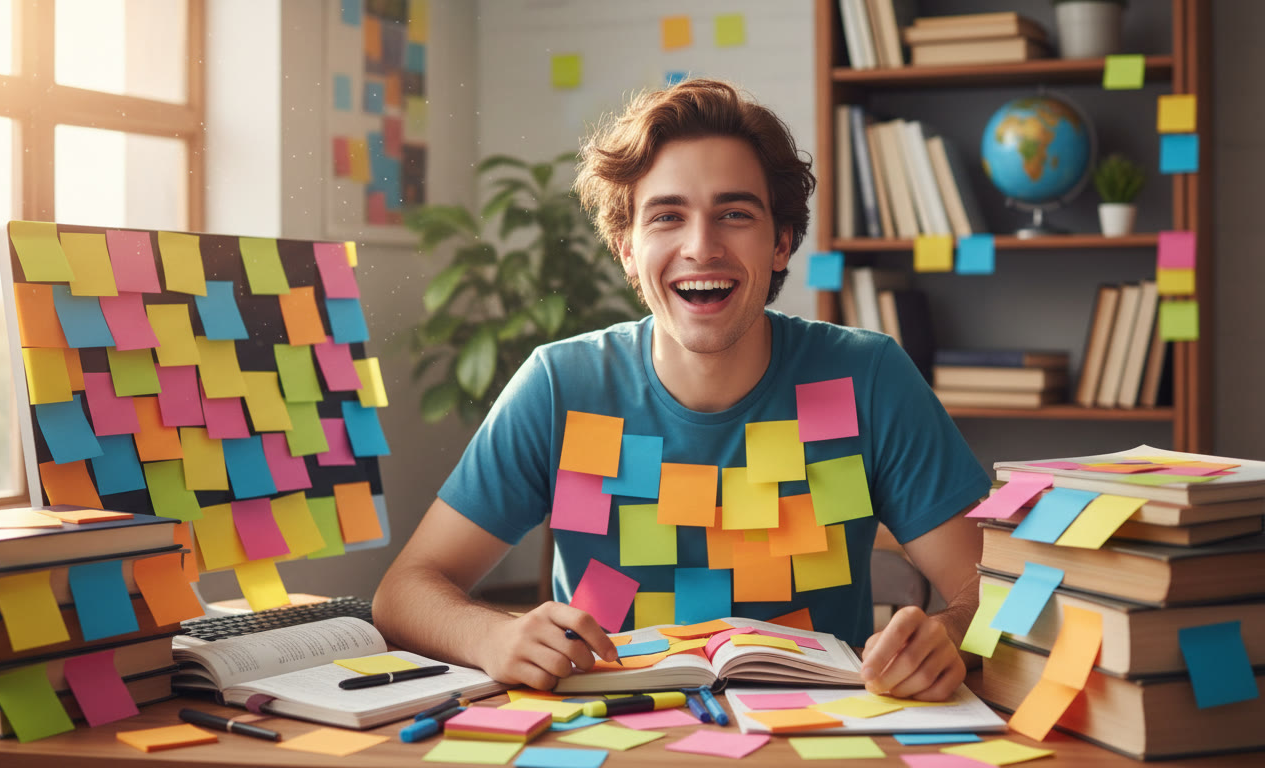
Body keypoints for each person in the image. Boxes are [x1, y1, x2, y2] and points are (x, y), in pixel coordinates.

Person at [374, 79, 990, 701]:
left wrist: (950, 634)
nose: (701, 247)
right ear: (626, 249)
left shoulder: (868, 377)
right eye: (667, 216)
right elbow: (404, 592)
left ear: (780, 244)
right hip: (608, 735)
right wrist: (490, 637)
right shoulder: (562, 386)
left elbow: (996, 594)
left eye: (735, 214)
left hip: (814, 734)